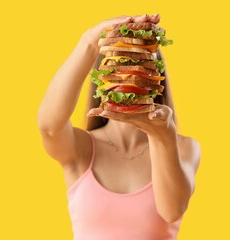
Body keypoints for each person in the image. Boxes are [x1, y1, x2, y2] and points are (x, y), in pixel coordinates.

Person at [37, 14, 201, 239]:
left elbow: (171, 211)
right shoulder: (82, 148)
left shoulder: (183, 147)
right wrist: (88, 42)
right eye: (120, 63)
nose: (129, 74)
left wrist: (161, 134)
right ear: (100, 78)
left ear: (157, 77)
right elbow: (48, 127)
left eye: (139, 63)